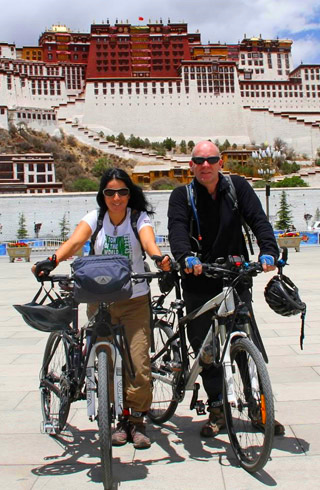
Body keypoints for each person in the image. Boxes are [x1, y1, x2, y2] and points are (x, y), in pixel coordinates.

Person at [32, 167, 171, 449]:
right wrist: (52, 260)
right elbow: (75, 242)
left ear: (129, 194)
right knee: (103, 361)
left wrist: (158, 258)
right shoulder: (95, 219)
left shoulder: (138, 218)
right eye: (110, 192)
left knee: (139, 364)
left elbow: (148, 240)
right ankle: (118, 418)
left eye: (122, 192)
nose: (116, 198)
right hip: (99, 299)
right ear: (103, 195)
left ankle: (136, 421)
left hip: (134, 299)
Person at [167, 140, 285, 438]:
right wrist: (185, 257)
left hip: (235, 275)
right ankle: (218, 406)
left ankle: (258, 405)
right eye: (199, 160)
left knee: (246, 343)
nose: (205, 165)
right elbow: (177, 230)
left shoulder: (238, 188)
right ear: (191, 166)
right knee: (206, 348)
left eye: (211, 159)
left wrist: (268, 251)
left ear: (221, 162)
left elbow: (259, 220)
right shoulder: (182, 195)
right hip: (198, 279)